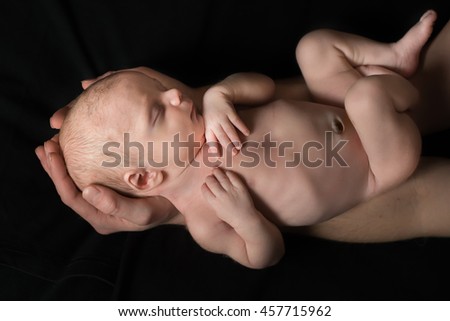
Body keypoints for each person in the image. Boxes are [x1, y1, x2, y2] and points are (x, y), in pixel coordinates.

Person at [37, 11, 449, 268]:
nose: (176, 94)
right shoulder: (203, 217)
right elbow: (264, 255)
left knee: (314, 48)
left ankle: (396, 57)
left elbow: (265, 86)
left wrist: (220, 95)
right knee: (368, 95)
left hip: (335, 106)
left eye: (160, 90)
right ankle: (402, 90)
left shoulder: (210, 114)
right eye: (159, 110)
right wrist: (246, 218)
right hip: (378, 165)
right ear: (145, 178)